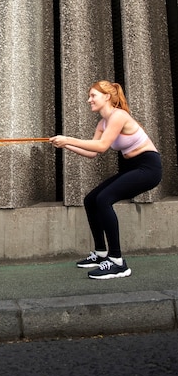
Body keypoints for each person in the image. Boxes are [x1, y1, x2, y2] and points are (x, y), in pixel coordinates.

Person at [49, 80, 162, 280]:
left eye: (93, 95)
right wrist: (65, 145)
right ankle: (101, 254)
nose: (89, 100)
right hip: (134, 167)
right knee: (91, 199)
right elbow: (93, 152)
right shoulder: (102, 123)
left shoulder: (118, 116)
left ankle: (117, 261)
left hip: (148, 168)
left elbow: (101, 146)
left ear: (107, 97)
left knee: (104, 199)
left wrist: (68, 139)